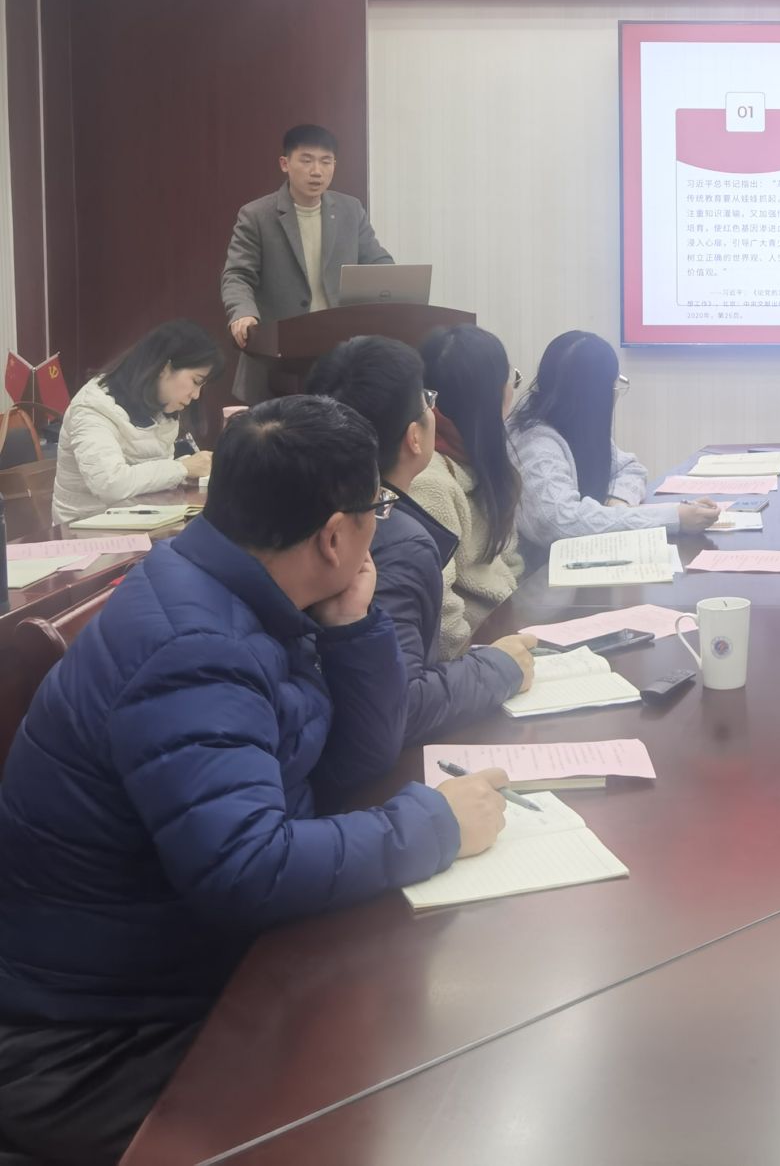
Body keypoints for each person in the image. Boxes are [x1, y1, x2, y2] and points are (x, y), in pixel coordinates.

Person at [0, 395, 510, 1165]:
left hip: (174, 979)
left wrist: (353, 626)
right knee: (401, 1107)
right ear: (334, 535)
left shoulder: (241, 587)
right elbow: (246, 867)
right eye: (376, 510)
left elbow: (355, 761)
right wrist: (434, 826)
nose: (380, 526)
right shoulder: (195, 647)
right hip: (88, 1047)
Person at [305, 337, 537, 742]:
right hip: (433, 705)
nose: (436, 411)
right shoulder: (396, 533)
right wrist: (498, 667)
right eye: (428, 401)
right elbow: (406, 699)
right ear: (414, 437)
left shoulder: (327, 506)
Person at [220, 124, 394, 400]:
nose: (317, 171)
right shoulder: (256, 215)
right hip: (278, 359)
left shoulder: (350, 210)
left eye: (326, 161)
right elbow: (237, 275)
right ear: (284, 163)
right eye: (307, 160)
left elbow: (376, 261)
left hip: (338, 354)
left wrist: (396, 289)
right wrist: (242, 312)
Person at [510, 330, 717, 552]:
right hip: (543, 569)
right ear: (595, 395)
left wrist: (619, 500)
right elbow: (560, 522)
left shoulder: (574, 423)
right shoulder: (535, 443)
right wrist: (673, 518)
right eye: (614, 385)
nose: (615, 393)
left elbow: (630, 468)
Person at [414, 325, 527, 660]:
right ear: (493, 396)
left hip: (503, 634)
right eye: (510, 380)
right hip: (475, 658)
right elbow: (440, 617)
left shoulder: (478, 457)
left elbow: (509, 559)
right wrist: (489, 664)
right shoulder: (429, 482)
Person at [51, 320, 219, 524]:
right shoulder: (93, 406)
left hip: (143, 521)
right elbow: (111, 484)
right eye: (196, 381)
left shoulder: (161, 405)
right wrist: (183, 468)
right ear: (165, 367)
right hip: (85, 530)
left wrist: (189, 469)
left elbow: (151, 476)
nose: (196, 395)